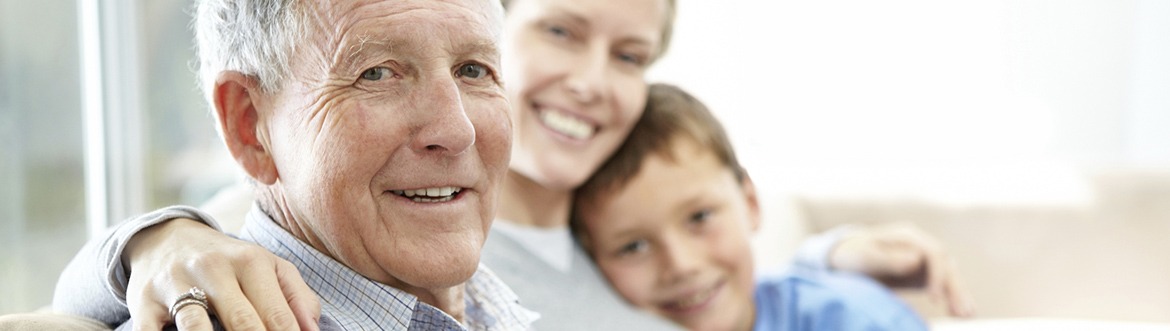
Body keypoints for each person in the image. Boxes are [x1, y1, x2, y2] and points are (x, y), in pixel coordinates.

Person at [54, 0, 972, 330]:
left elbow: (724, 285)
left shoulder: (607, 221)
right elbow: (212, 240)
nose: (591, 85)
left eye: (631, 57)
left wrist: (827, 256)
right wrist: (150, 243)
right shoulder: (344, 235)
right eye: (380, 72)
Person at [52, 0, 541, 329]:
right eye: (376, 73)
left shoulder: (503, 302)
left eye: (473, 70)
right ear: (250, 127)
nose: (457, 131)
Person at [572, 83, 929, 330]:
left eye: (699, 217)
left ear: (750, 203)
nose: (681, 265)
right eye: (633, 246)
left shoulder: (858, 321)